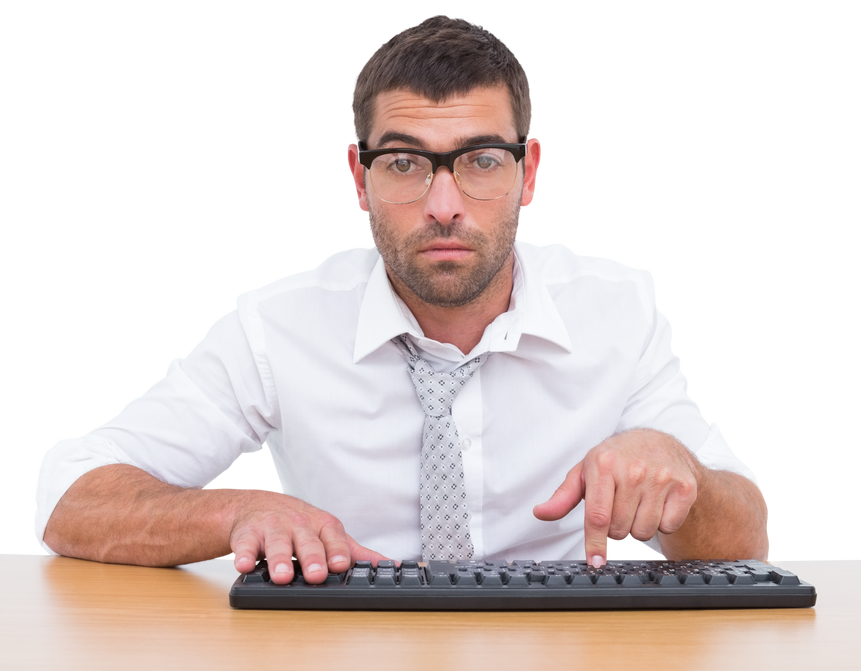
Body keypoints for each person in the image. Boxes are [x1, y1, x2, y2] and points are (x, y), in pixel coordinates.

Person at [34, 14, 770, 583]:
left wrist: (683, 476)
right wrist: (237, 509)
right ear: (358, 178)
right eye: (406, 163)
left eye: (482, 160)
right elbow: (69, 497)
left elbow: (745, 540)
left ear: (530, 172)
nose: (444, 204)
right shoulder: (277, 323)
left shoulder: (618, 308)